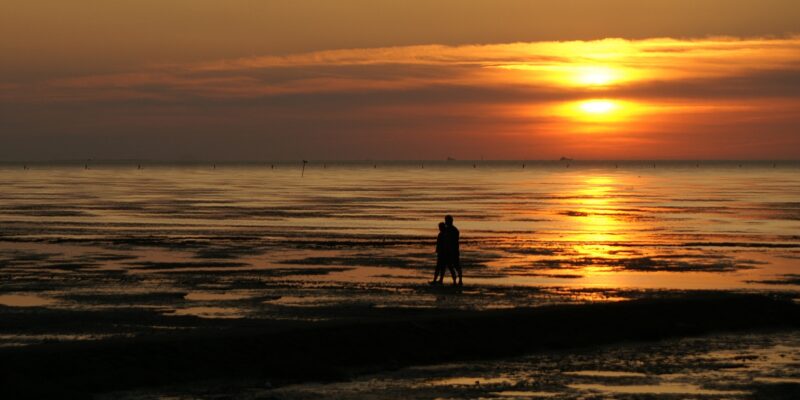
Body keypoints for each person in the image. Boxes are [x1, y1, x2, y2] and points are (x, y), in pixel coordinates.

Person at [443, 215, 463, 286]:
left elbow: (453, 241)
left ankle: (459, 280)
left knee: (455, 265)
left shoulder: (453, 230)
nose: (445, 221)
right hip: (450, 250)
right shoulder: (450, 229)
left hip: (453, 250)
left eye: (446, 220)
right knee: (451, 266)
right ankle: (455, 280)